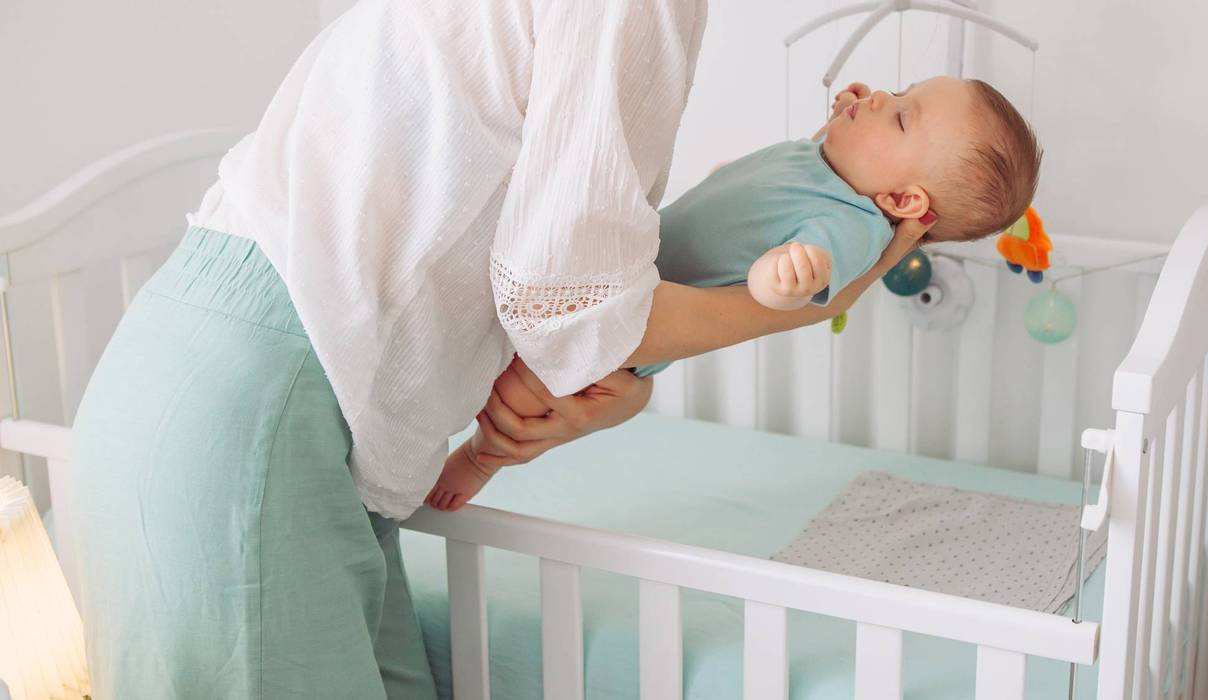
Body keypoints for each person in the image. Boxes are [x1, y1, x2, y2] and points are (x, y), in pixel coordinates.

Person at [67, 1, 934, 697]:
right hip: (260, 401)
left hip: (276, 389)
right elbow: (567, 295)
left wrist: (609, 349)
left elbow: (553, 279)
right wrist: (784, 314)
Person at [426, 75, 1041, 510]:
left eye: (902, 116)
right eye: (901, 91)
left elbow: (811, 278)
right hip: (618, 274)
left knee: (521, 391)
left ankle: (479, 459)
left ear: (903, 203)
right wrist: (852, 116)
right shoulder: (825, 163)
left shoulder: (850, 225)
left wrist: (787, 277)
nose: (881, 96)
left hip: (621, 340)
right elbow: (796, 175)